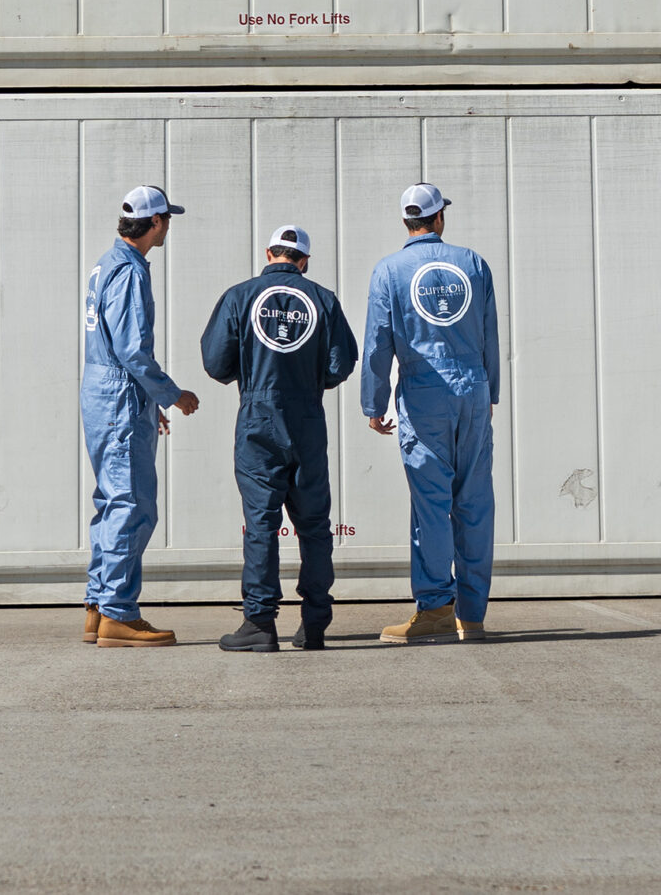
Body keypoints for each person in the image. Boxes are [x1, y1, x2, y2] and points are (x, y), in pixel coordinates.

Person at [199, 225, 358, 653]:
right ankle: (315, 624)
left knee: (261, 525)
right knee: (314, 526)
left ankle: (259, 624)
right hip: (307, 418)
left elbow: (215, 362)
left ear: (269, 253)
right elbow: (340, 365)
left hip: (258, 421)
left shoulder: (240, 296)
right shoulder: (323, 299)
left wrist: (252, 375)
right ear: (304, 261)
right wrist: (306, 381)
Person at [361, 183, 501, 643]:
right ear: (439, 218)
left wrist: (373, 403)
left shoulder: (389, 271)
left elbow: (379, 343)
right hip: (473, 389)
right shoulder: (473, 264)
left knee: (431, 506)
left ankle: (436, 608)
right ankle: (473, 615)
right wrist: (491, 392)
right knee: (475, 503)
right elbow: (489, 334)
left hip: (424, 393)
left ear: (407, 222)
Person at [80, 185, 200, 648]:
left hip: (103, 393)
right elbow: (131, 348)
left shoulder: (104, 265)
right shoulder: (129, 272)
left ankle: (97, 607)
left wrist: (146, 403)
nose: (168, 226)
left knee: (112, 501)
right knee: (132, 505)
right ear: (154, 223)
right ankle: (118, 613)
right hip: (119, 394)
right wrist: (170, 395)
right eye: (167, 219)